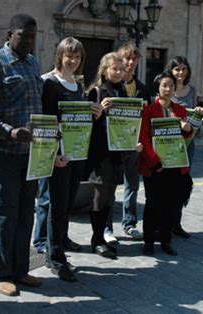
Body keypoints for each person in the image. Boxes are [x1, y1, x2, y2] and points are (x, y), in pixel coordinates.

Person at [0, 14, 43, 296]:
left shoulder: (32, 64)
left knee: (25, 212)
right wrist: (10, 132)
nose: (29, 41)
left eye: (32, 37)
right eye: (23, 36)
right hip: (3, 152)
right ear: (9, 35)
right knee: (5, 213)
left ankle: (21, 269)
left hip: (30, 154)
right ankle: (2, 274)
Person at [39, 37, 102, 282]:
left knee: (65, 204)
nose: (73, 61)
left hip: (76, 154)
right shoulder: (49, 82)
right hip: (59, 156)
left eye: (77, 57)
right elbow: (45, 120)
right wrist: (53, 155)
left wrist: (94, 114)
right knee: (56, 205)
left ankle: (59, 245)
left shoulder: (78, 86)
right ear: (60, 55)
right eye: (69, 56)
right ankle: (54, 257)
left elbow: (79, 121)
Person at [137, 71, 193, 256]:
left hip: (174, 166)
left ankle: (166, 240)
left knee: (170, 204)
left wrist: (187, 129)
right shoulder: (148, 111)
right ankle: (149, 241)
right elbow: (143, 138)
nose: (168, 89)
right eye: (164, 86)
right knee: (152, 204)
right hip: (154, 167)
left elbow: (186, 138)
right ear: (157, 88)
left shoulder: (180, 110)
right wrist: (154, 161)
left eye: (170, 86)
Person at [103, 42, 151, 244]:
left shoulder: (142, 89)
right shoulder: (111, 87)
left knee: (132, 185)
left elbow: (146, 120)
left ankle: (129, 224)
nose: (130, 63)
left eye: (134, 59)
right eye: (126, 59)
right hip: (114, 148)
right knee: (110, 188)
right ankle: (106, 228)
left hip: (135, 147)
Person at [85, 52, 126, 259]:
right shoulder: (96, 92)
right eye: (114, 69)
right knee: (100, 194)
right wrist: (99, 111)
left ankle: (104, 235)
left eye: (121, 69)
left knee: (110, 194)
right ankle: (97, 239)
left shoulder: (122, 91)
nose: (118, 72)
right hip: (101, 152)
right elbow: (85, 122)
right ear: (104, 70)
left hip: (117, 151)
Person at [166, 56, 203, 239]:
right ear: (171, 71)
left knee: (182, 183)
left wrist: (198, 113)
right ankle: (164, 222)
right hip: (170, 143)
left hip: (188, 142)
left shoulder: (192, 90)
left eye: (183, 69)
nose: (180, 73)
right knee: (167, 183)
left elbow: (195, 116)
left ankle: (176, 223)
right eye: (176, 69)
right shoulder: (167, 89)